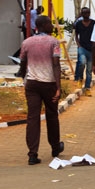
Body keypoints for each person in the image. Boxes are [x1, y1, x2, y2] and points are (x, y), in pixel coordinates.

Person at [18, 15, 64, 165]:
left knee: (33, 118)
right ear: (44, 25)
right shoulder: (53, 42)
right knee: (52, 116)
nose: (52, 25)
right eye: (50, 23)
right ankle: (55, 147)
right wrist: (58, 87)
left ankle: (32, 154)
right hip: (49, 84)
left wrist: (24, 78)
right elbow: (56, 65)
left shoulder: (27, 42)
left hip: (32, 84)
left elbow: (22, 63)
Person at [73, 7, 95, 97]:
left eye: (87, 12)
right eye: (84, 13)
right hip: (82, 47)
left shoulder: (93, 23)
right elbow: (76, 34)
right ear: (81, 14)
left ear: (89, 13)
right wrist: (78, 44)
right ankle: (80, 78)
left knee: (89, 70)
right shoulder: (79, 24)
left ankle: (87, 88)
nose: (86, 14)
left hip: (91, 49)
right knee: (82, 63)